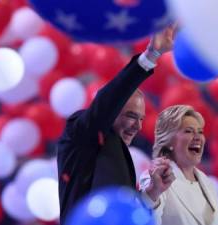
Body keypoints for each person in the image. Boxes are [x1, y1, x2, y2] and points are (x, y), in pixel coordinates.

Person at [56, 25, 177, 224]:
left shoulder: (116, 153)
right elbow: (108, 101)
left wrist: (151, 194)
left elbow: (119, 213)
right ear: (112, 110)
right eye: (131, 115)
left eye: (140, 119)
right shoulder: (81, 133)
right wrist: (151, 55)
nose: (137, 126)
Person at [140, 105, 218, 225]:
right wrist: (154, 192)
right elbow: (145, 218)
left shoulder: (206, 182)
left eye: (200, 132)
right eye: (188, 131)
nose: (198, 137)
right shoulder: (156, 177)